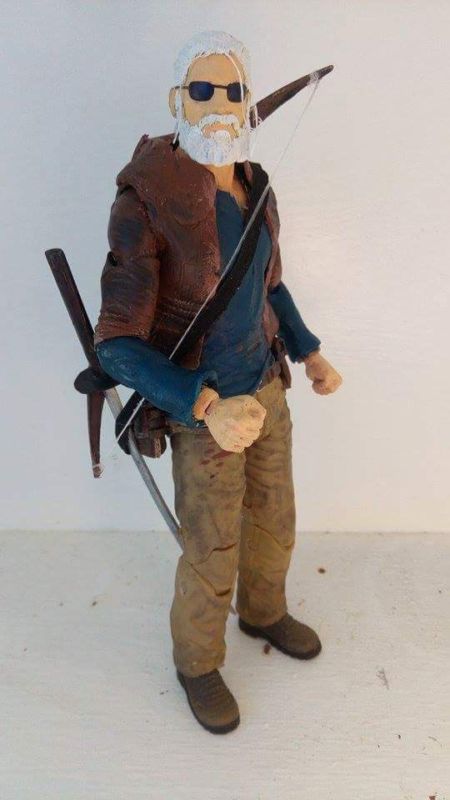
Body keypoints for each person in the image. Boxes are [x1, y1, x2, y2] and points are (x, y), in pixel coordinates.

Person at [94, 30, 343, 734]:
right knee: (211, 546)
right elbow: (116, 344)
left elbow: (270, 287)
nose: (221, 106)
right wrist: (204, 404)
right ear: (178, 100)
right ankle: (198, 662)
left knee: (275, 518)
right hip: (205, 408)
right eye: (203, 91)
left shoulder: (257, 184)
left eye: (234, 91)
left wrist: (309, 352)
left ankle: (263, 611)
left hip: (265, 388)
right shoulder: (145, 200)